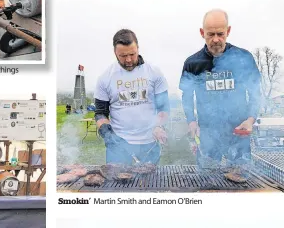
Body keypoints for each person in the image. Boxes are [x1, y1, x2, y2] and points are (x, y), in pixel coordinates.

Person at [180, 9, 262, 166]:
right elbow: (187, 96)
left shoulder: (244, 58)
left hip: (239, 133)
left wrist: (251, 119)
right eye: (210, 34)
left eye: (220, 33)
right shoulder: (192, 63)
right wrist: (191, 121)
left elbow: (255, 93)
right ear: (202, 32)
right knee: (207, 181)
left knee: (240, 179)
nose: (216, 39)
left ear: (228, 31)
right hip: (207, 136)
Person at [94, 28, 169, 165]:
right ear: (115, 52)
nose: (128, 60)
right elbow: (100, 114)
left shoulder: (154, 73)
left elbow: (164, 108)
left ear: (138, 48)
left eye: (132, 54)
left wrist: (159, 126)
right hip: (119, 146)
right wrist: (108, 134)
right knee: (116, 184)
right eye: (123, 56)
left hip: (149, 144)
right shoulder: (105, 78)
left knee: (150, 184)